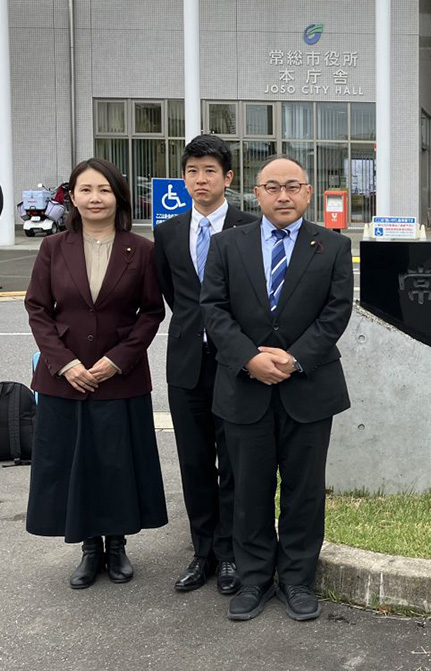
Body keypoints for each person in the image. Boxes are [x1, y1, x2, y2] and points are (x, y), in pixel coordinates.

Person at [201, 155, 353, 621]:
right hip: (244, 388)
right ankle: (253, 579)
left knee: (304, 490)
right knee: (248, 488)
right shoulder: (227, 245)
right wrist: (250, 358)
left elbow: (336, 311)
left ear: (308, 193)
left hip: (308, 387)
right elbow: (213, 308)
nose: (282, 196)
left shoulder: (332, 245)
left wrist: (294, 358)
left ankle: (297, 580)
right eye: (272, 187)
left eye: (292, 187)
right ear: (256, 193)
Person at [24, 158, 167, 588]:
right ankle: (89, 548)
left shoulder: (140, 250)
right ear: (73, 196)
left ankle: (117, 545)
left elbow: (151, 312)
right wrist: (64, 362)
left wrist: (116, 360)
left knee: (117, 463)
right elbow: (37, 309)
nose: (95, 198)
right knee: (76, 463)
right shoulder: (53, 248)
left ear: (117, 196)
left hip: (119, 377)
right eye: (86, 190)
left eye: (103, 190)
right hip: (63, 379)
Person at [154, 135, 258, 595]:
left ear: (228, 178)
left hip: (234, 366)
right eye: (193, 171)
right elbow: (173, 296)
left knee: (234, 463)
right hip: (186, 365)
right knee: (194, 462)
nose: (201, 179)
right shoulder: (169, 231)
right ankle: (201, 553)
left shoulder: (248, 228)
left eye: (210, 171)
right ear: (184, 177)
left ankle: (230, 552)